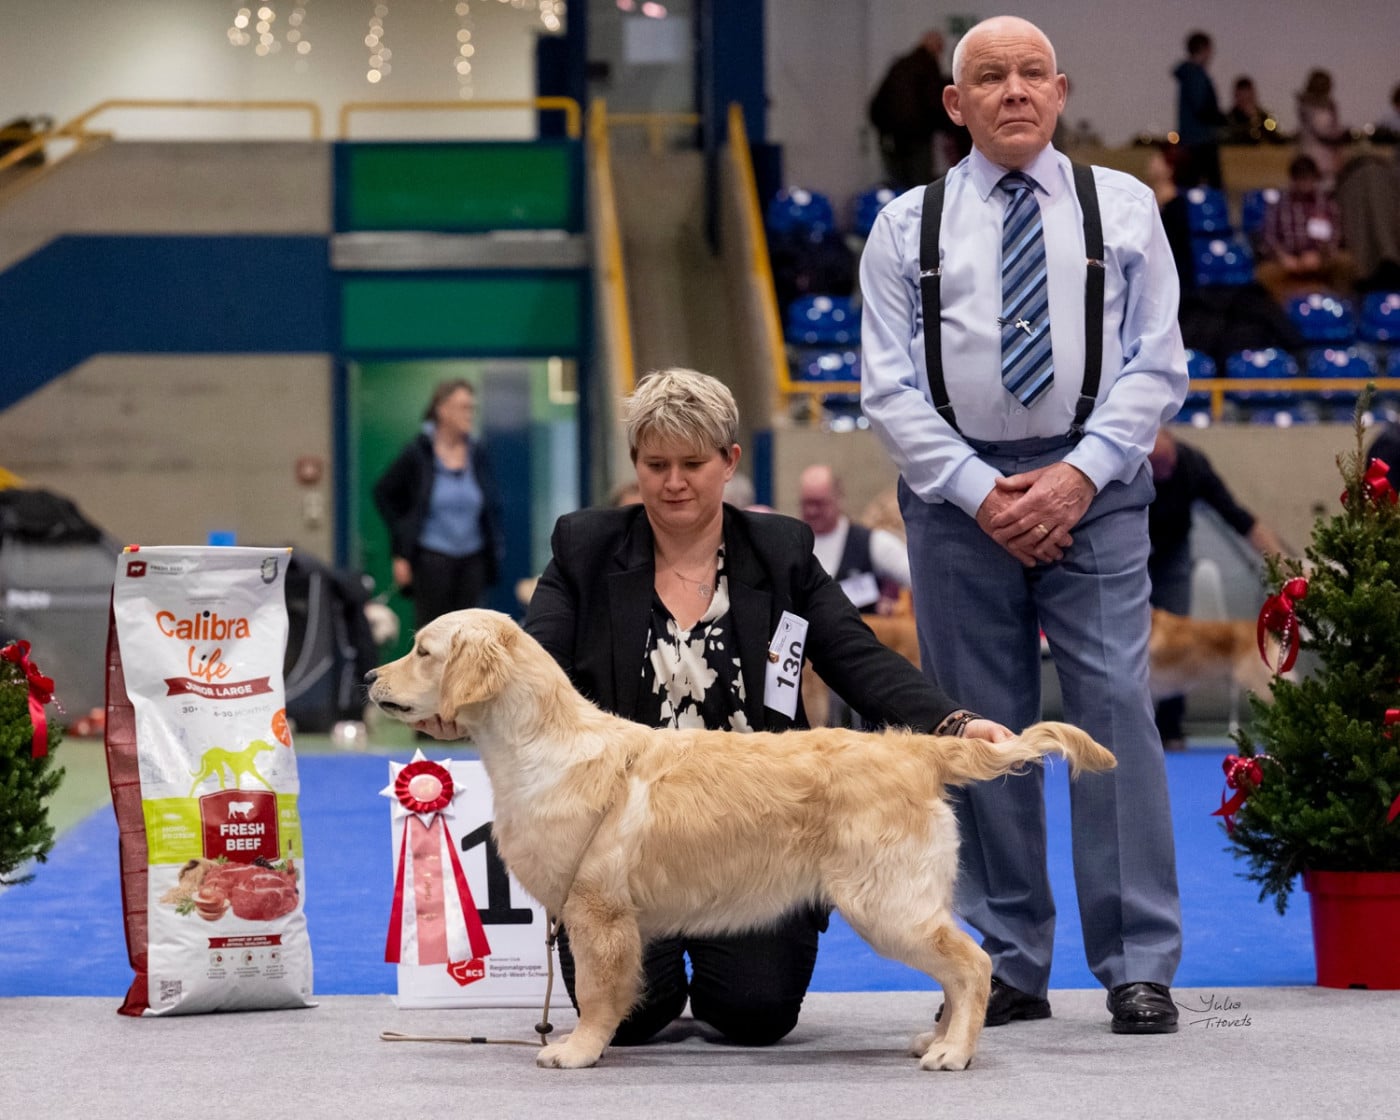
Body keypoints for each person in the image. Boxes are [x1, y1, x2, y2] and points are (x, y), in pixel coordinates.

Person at [515, 367, 1011, 1049]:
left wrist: (953, 722)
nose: (674, 482)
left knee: (756, 1015)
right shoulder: (586, 546)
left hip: (758, 835)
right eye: (655, 464)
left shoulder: (780, 553)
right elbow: (536, 666)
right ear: (635, 465)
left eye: (693, 463)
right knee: (630, 1022)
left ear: (730, 462)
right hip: (625, 845)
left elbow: (855, 657)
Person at [859, 15, 1188, 1035]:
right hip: (957, 505)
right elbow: (886, 387)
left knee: (1113, 713)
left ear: (1059, 92)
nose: (1011, 90)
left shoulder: (1122, 207)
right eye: (987, 77)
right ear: (954, 105)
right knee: (977, 729)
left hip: (1094, 485)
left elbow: (1158, 362)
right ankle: (1001, 958)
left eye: (1029, 74)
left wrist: (1075, 479)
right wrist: (978, 491)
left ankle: (1136, 959)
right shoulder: (901, 227)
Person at [1147, 428, 1286, 750]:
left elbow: (1238, 518)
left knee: (1176, 642)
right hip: (1129, 552)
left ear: (1174, 451)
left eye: (1165, 465)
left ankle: (1170, 730)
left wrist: (1281, 563)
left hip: (1172, 556)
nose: (1161, 474)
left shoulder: (1194, 465)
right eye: (1154, 468)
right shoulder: (1131, 465)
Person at [372, 378, 503, 635]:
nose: (470, 413)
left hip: (473, 558)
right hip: (431, 559)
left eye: (472, 407)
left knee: (471, 634)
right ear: (443, 410)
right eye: (463, 407)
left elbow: (489, 502)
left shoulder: (476, 452)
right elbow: (383, 493)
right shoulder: (418, 452)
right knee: (434, 634)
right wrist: (401, 549)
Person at [798, 463, 910, 614]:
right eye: (806, 503)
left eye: (819, 503)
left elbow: (917, 578)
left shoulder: (872, 542)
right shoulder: (792, 544)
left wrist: (898, 605)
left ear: (839, 498)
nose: (812, 511)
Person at [868, 30, 963, 190]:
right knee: (920, 190)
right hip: (919, 140)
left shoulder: (899, 66)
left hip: (892, 140)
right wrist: (950, 128)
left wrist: (885, 131)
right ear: (936, 48)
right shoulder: (928, 68)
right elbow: (934, 104)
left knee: (898, 190)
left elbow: (876, 105)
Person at [1256, 154, 1351, 300]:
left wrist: (1320, 256)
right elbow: (1268, 236)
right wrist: (1284, 258)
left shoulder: (1326, 203)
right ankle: (1284, 313)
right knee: (1264, 274)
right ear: (1293, 179)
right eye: (1300, 179)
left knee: (1345, 263)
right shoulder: (1279, 204)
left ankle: (1340, 307)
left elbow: (1336, 234)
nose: (1305, 183)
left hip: (1320, 260)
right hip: (1288, 261)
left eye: (1308, 178)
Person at [1172, 31, 1226, 188]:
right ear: (1204, 50)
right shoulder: (1195, 75)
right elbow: (1201, 107)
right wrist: (1219, 119)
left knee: (1189, 187)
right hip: (1201, 141)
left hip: (1191, 141)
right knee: (1212, 188)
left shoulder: (1188, 75)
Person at [1295, 69, 1350, 184]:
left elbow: (1334, 128)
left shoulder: (1330, 105)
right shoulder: (1306, 106)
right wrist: (1335, 138)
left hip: (1329, 157)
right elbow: (1318, 132)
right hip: (1312, 155)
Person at [1223, 76, 1281, 145]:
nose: (1246, 102)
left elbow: (1275, 139)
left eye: (1248, 98)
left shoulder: (1264, 118)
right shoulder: (1227, 119)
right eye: (1242, 98)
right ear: (1236, 96)